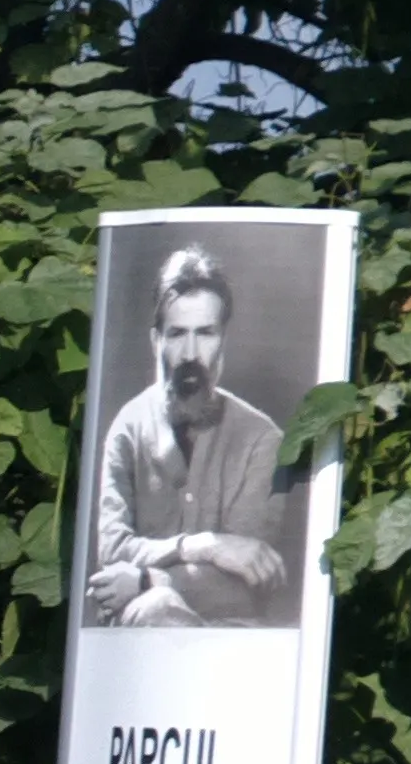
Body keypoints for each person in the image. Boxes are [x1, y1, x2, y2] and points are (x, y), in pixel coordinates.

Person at [84, 245, 302, 625]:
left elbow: (246, 577)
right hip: (137, 639)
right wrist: (201, 546)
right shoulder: (128, 426)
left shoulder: (262, 440)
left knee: (156, 604)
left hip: (231, 641)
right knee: (154, 608)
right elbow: (111, 553)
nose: (190, 353)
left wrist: (147, 578)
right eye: (177, 334)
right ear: (157, 341)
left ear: (223, 340)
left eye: (205, 333)